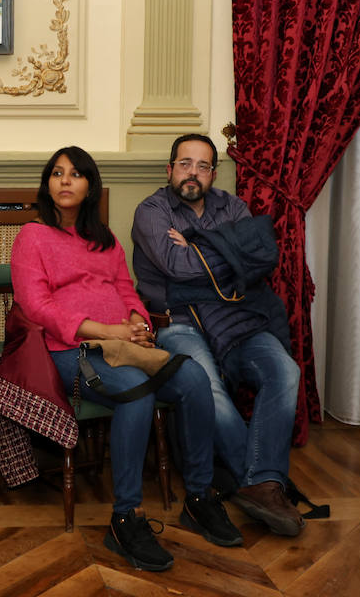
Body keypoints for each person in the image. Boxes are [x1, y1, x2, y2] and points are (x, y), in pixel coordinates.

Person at [11, 146, 243, 573]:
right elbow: (37, 306)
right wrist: (108, 331)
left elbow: (126, 288)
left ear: (89, 186)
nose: (65, 180)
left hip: (125, 344)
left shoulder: (105, 239)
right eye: (57, 173)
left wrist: (136, 320)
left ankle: (198, 496)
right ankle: (125, 518)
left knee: (192, 378)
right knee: (136, 393)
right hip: (69, 351)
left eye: (76, 174)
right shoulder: (32, 236)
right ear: (47, 183)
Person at [130, 133, 305, 537]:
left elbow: (260, 258)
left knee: (285, 371)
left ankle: (257, 483)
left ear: (214, 173)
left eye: (203, 165)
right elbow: (177, 268)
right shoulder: (152, 211)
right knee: (208, 388)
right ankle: (265, 484)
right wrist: (228, 254)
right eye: (185, 163)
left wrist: (197, 247)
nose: (193, 173)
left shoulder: (234, 206)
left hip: (237, 316)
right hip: (178, 321)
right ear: (169, 169)